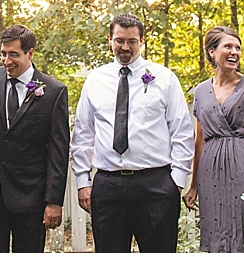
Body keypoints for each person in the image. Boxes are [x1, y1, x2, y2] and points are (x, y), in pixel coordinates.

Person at [71, 13, 194, 252]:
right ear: (110, 40)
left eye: (132, 41)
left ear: (142, 41)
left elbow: (181, 131)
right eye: (119, 40)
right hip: (108, 185)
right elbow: (83, 134)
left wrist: (176, 181)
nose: (125, 47)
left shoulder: (165, 78)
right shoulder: (96, 80)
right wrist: (83, 181)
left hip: (155, 184)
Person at [182, 26, 244, 252]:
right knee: (215, 230)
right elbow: (199, 141)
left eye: (238, 48)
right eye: (228, 46)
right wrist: (193, 184)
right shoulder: (201, 91)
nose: (235, 52)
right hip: (210, 170)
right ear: (212, 52)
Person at [0, 25, 70, 251]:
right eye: (3, 53)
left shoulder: (53, 91)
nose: (6, 60)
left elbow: (58, 150)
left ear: (30, 53)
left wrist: (54, 201)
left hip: (32, 195)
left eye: (14, 54)